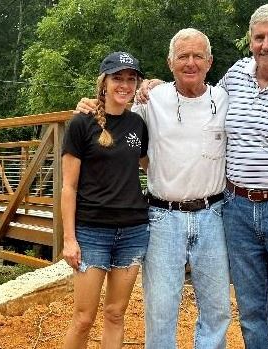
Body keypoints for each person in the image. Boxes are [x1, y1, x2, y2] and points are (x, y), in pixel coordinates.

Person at [137, 4, 268, 348]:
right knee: (252, 313)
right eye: (259, 37)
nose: (267, 44)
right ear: (250, 41)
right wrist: (148, 88)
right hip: (237, 211)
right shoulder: (236, 77)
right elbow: (187, 103)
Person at [76, 29, 231, 348]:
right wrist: (90, 107)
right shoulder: (151, 100)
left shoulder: (224, 99)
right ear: (170, 62)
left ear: (210, 62)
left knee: (216, 309)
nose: (191, 63)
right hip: (163, 216)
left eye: (198, 56)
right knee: (160, 310)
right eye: (183, 56)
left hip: (213, 214)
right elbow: (117, 122)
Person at [61, 51, 149, 348]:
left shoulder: (138, 124)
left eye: (131, 79)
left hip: (133, 231)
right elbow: (68, 188)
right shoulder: (81, 123)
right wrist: (69, 239)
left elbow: (150, 165)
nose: (124, 85)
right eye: (118, 78)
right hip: (91, 232)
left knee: (115, 313)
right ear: (104, 83)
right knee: (83, 318)